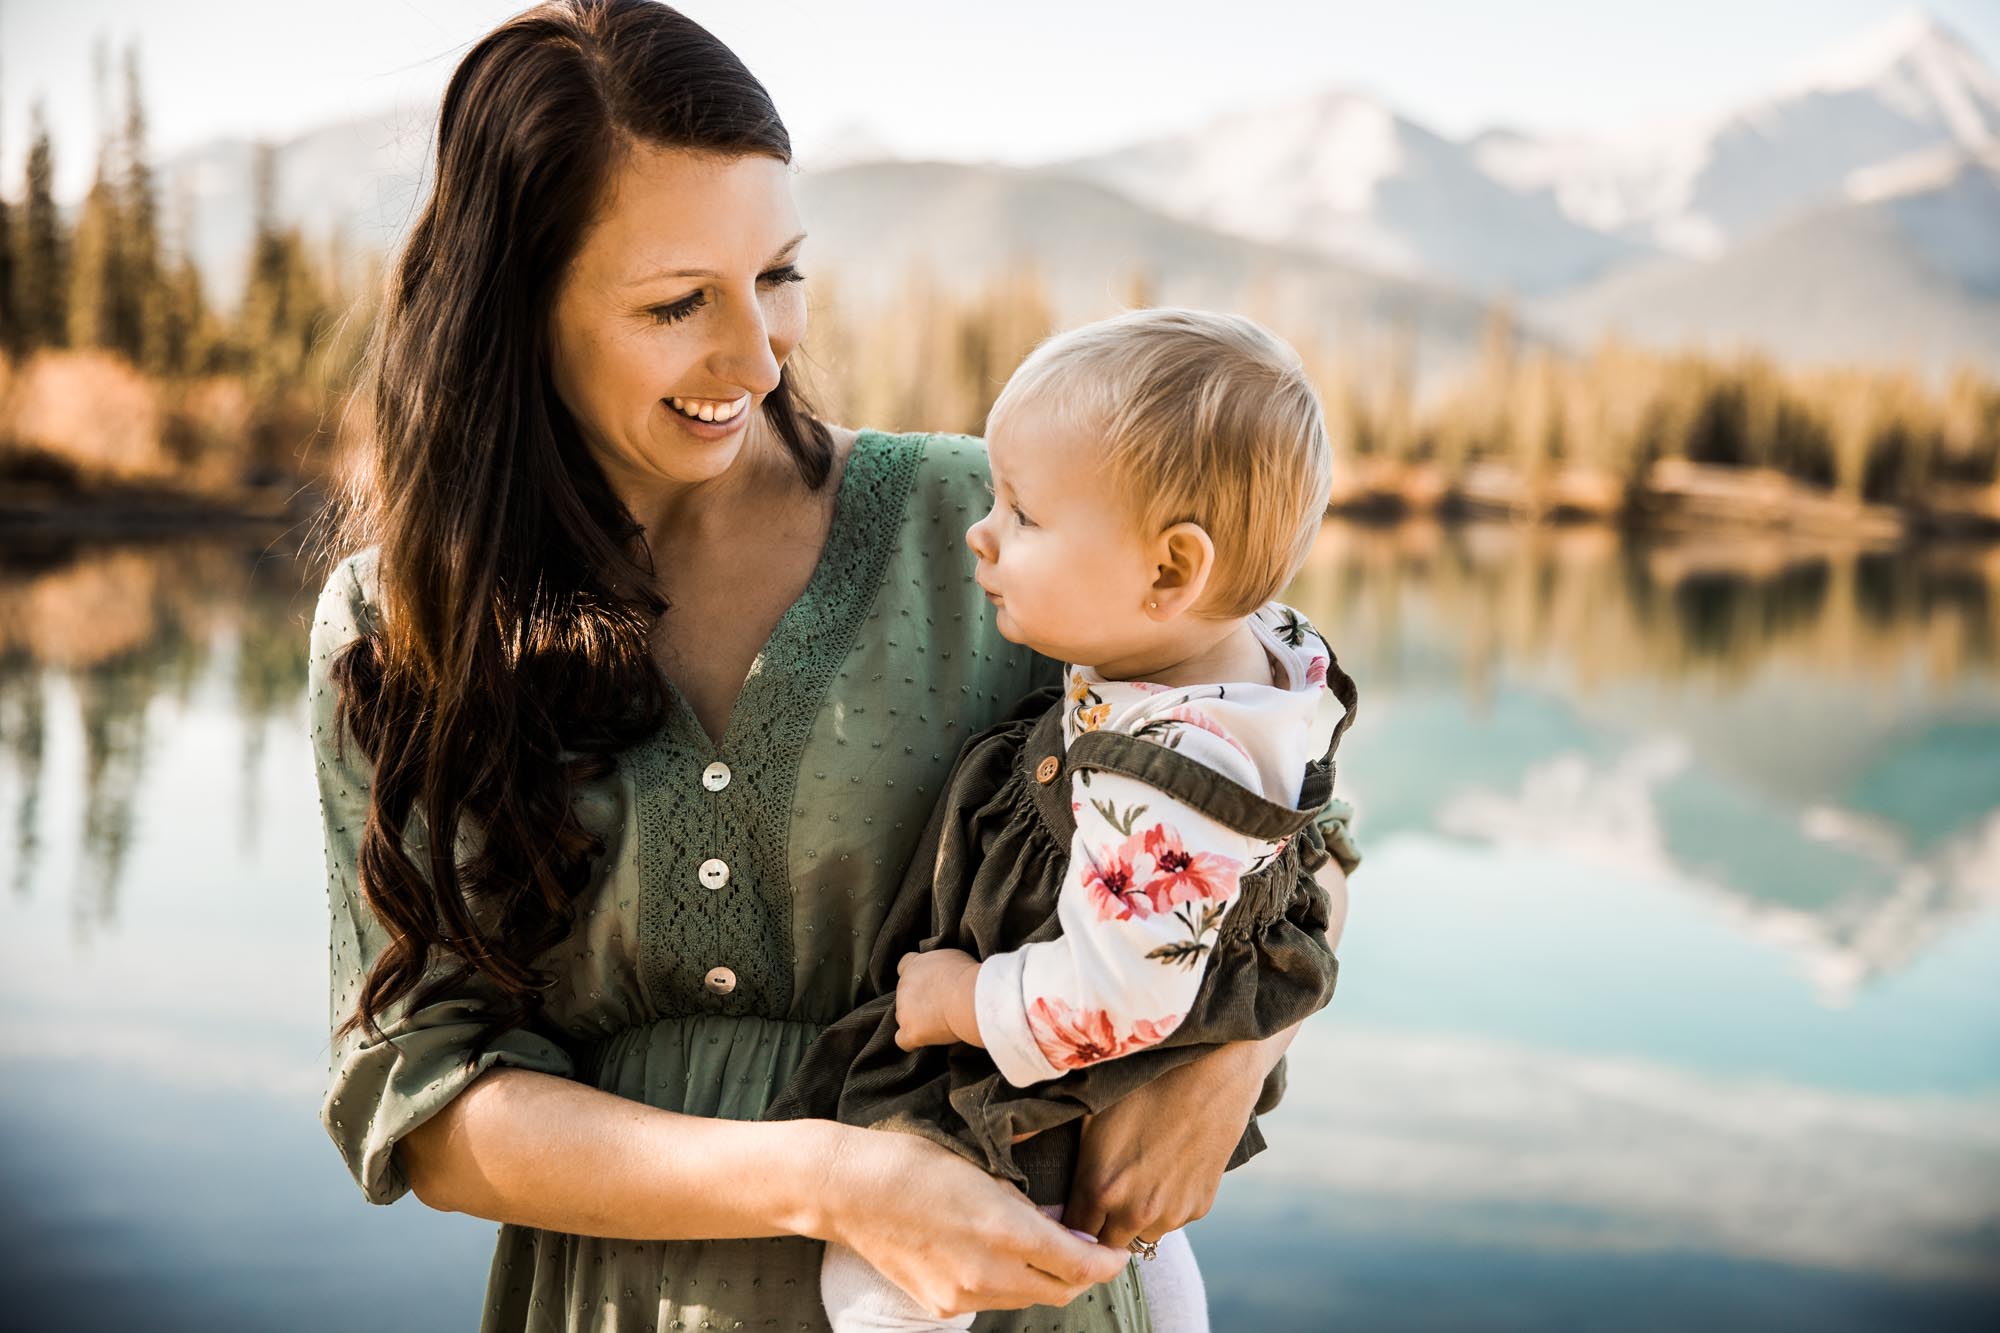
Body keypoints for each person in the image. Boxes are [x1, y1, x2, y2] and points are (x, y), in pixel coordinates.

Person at [309, 2, 1356, 1330]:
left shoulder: (989, 530)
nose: (756, 356)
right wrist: (836, 1183)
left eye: (780, 275)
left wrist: (1230, 1061)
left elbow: (1290, 816)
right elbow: (424, 1107)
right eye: (676, 303)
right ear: (519, 310)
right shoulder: (402, 625)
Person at [765, 309, 1360, 1332]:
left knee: (877, 1284)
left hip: (1043, 1076)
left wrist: (960, 999)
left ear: (1170, 572)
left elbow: (1115, 997)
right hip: (1112, 1089)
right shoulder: (1237, 661)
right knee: (1123, 1251)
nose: (980, 532)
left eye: (1025, 516)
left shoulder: (1173, 778)